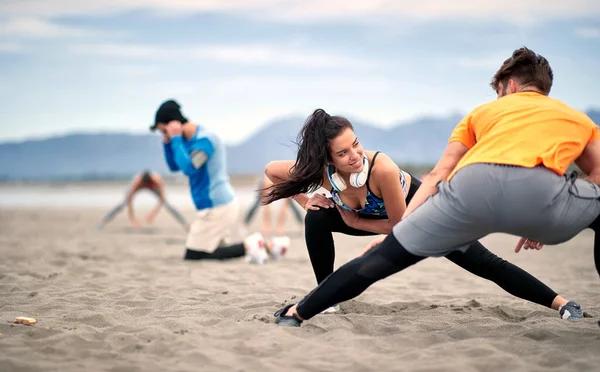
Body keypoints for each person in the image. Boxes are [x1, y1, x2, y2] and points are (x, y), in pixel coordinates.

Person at [269, 47, 600, 326]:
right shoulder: (575, 119)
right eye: (343, 152)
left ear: (510, 86)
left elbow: (437, 177)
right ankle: (322, 300)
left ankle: (562, 304)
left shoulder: (475, 117)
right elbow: (593, 175)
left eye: (498, 92)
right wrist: (544, 210)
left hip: (442, 202)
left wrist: (376, 229)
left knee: (471, 264)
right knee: (320, 221)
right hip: (516, 200)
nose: (354, 155)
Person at [150, 99, 290, 263]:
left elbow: (189, 168)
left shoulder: (205, 140)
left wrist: (174, 139)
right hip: (213, 206)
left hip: (218, 206)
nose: (163, 135)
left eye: (163, 131)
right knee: (215, 251)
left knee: (193, 255)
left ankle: (250, 245)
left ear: (173, 124)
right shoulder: (184, 141)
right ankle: (271, 247)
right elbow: (175, 167)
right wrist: (169, 144)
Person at [96, 170, 188, 230]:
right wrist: (133, 219)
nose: (146, 187)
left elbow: (161, 200)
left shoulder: (157, 181)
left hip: (154, 186)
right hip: (138, 185)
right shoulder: (137, 182)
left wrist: (152, 214)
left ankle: (185, 224)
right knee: (122, 204)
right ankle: (102, 221)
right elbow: (130, 202)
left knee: (167, 204)